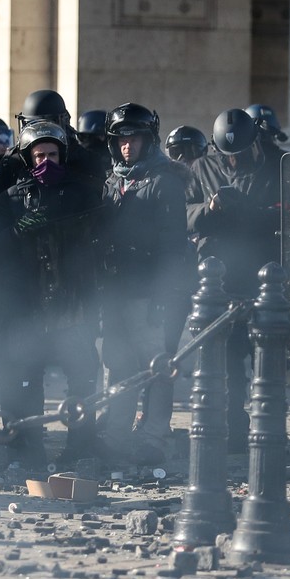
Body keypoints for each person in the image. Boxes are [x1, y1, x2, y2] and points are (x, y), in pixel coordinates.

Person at [0, 120, 103, 470]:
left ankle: (81, 448)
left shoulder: (81, 193)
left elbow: (98, 239)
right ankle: (26, 450)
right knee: (24, 381)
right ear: (27, 159)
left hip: (71, 305)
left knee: (83, 377)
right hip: (27, 307)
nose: (46, 162)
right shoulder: (10, 198)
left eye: (52, 155)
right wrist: (17, 230)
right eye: (39, 156)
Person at [98, 103, 195, 453]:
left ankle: (154, 436)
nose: (128, 145)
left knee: (156, 367)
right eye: (122, 139)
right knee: (118, 366)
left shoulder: (163, 182)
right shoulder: (113, 181)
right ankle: (116, 435)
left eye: (135, 138)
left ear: (147, 140)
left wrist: (161, 296)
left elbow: (173, 247)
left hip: (147, 293)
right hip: (116, 292)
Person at [186, 108, 283, 452]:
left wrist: (250, 212)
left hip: (263, 276)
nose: (235, 161)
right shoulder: (201, 168)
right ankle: (232, 431)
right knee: (225, 361)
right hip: (220, 279)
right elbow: (185, 215)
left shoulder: (277, 164)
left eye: (241, 154)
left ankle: (269, 431)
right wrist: (209, 209)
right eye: (229, 156)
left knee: (266, 360)